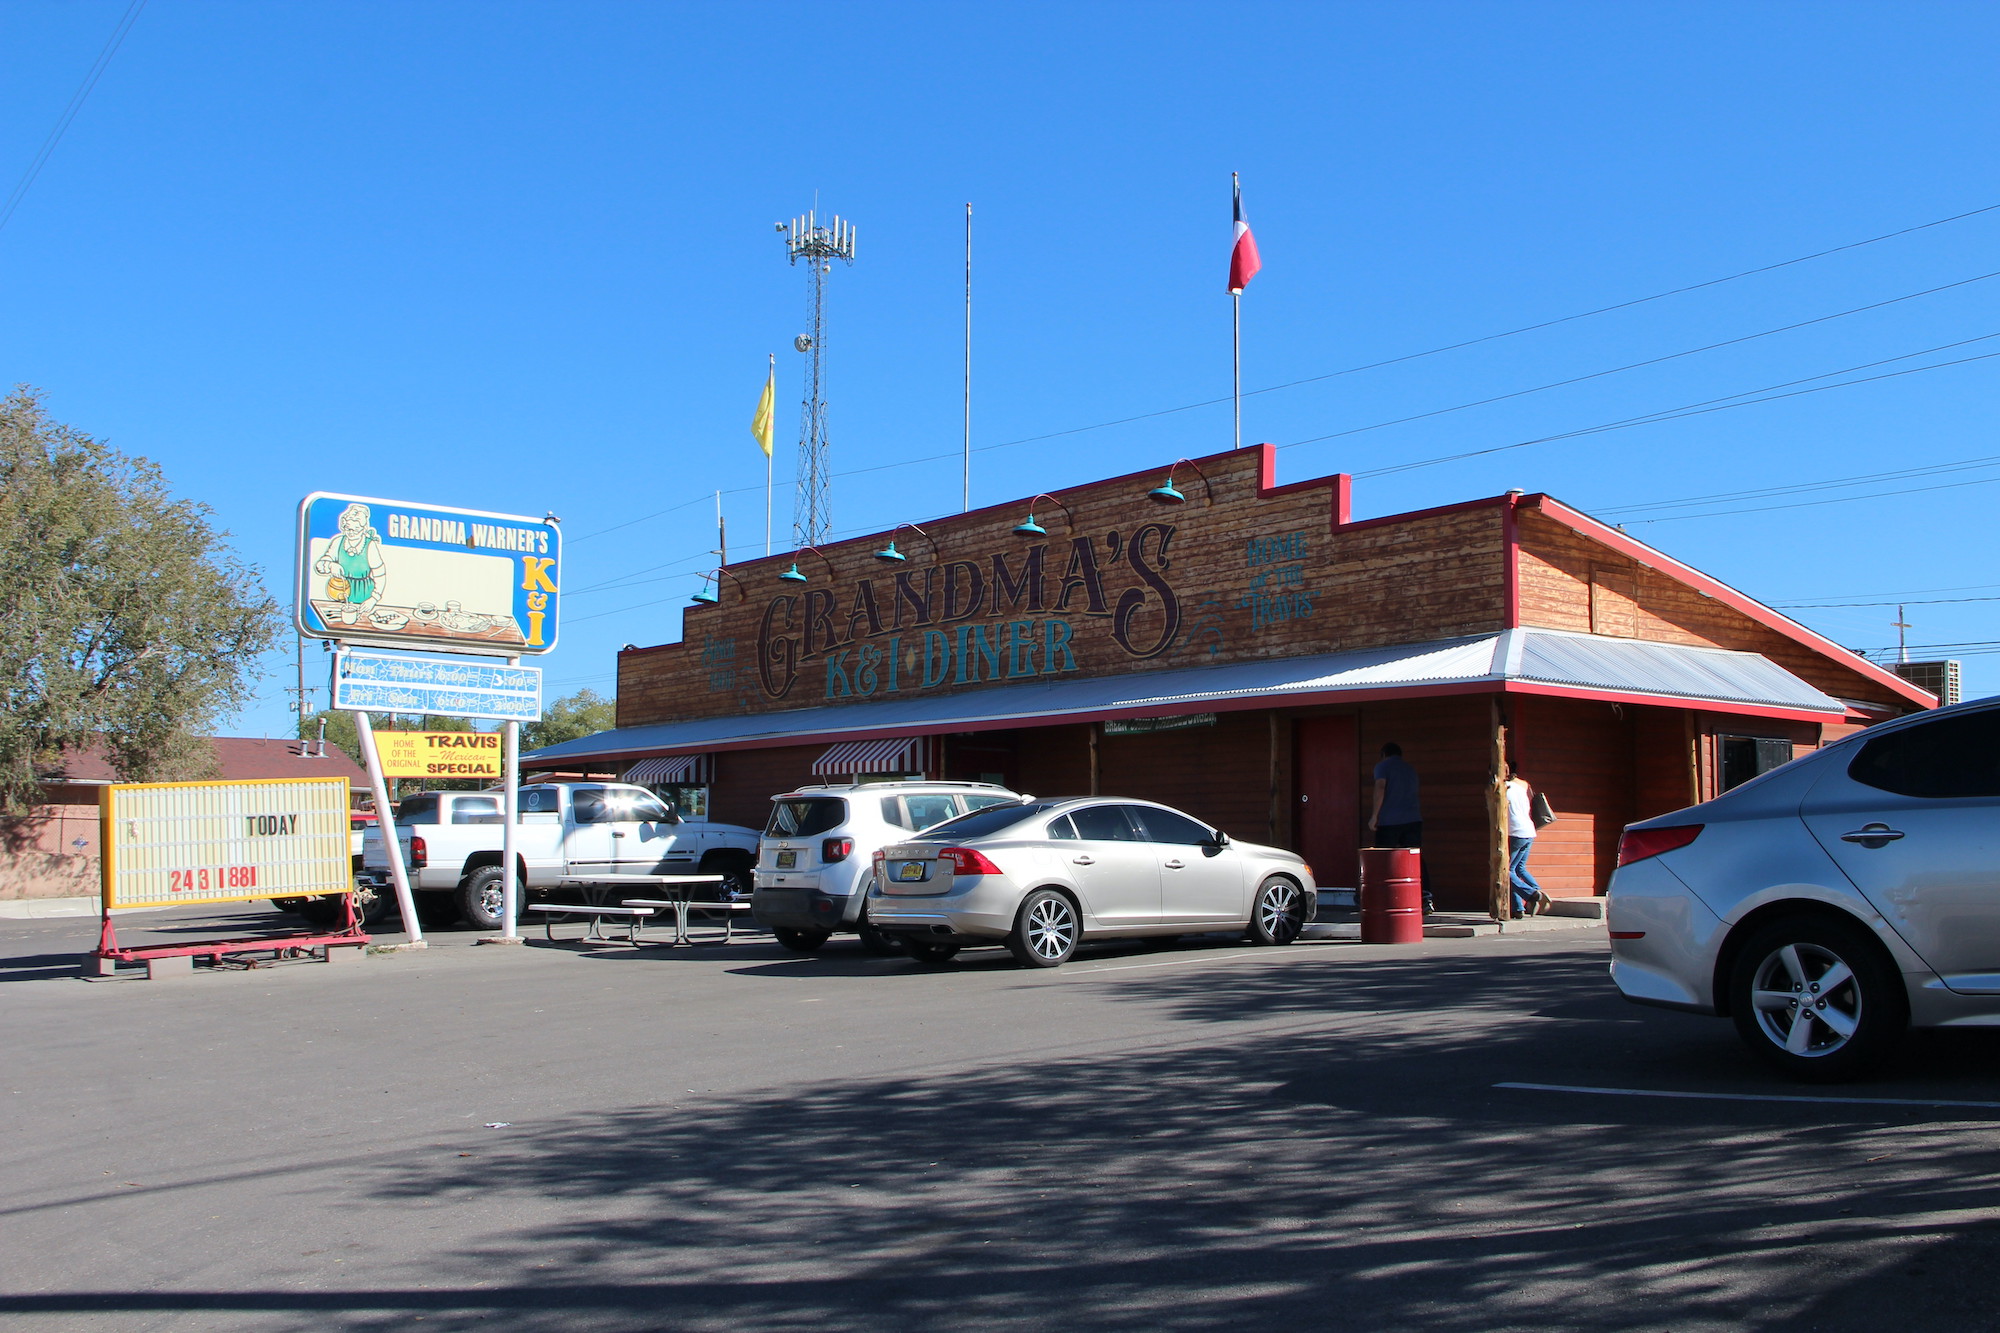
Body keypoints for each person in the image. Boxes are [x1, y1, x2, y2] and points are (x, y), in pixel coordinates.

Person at [1367, 741, 1434, 914]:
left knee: (1383, 857)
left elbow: (1380, 787)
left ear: (1383, 754)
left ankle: (1383, 895)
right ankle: (1425, 897)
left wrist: (1375, 815)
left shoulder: (1382, 767)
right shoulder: (1410, 769)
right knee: (1414, 856)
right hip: (1413, 819)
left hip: (1389, 820)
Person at [1505, 764, 1550, 918]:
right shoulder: (1522, 786)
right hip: (1529, 830)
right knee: (1518, 869)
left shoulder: (1501, 788)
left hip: (1515, 831)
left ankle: (1533, 894)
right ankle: (1520, 907)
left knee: (1505, 871)